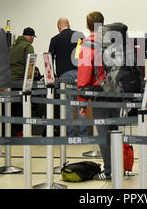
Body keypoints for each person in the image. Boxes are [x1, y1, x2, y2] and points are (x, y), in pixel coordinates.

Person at [77, 11, 114, 180]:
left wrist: (82, 102)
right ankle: (117, 167)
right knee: (114, 131)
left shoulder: (87, 45)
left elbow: (84, 77)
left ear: (87, 25)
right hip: (115, 92)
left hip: (99, 94)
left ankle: (108, 171)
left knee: (103, 133)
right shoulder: (111, 42)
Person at [49, 17, 86, 137]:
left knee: (68, 105)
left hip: (64, 75)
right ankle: (83, 133)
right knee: (80, 103)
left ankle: (70, 134)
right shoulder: (79, 36)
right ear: (69, 25)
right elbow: (83, 54)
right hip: (79, 73)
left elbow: (49, 59)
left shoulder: (55, 39)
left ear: (59, 26)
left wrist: (53, 76)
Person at [9, 27, 36, 136]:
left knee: (12, 106)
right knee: (23, 106)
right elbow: (30, 65)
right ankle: (22, 131)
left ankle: (13, 131)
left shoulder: (12, 47)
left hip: (10, 81)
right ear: (32, 37)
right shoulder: (28, 46)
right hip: (21, 81)